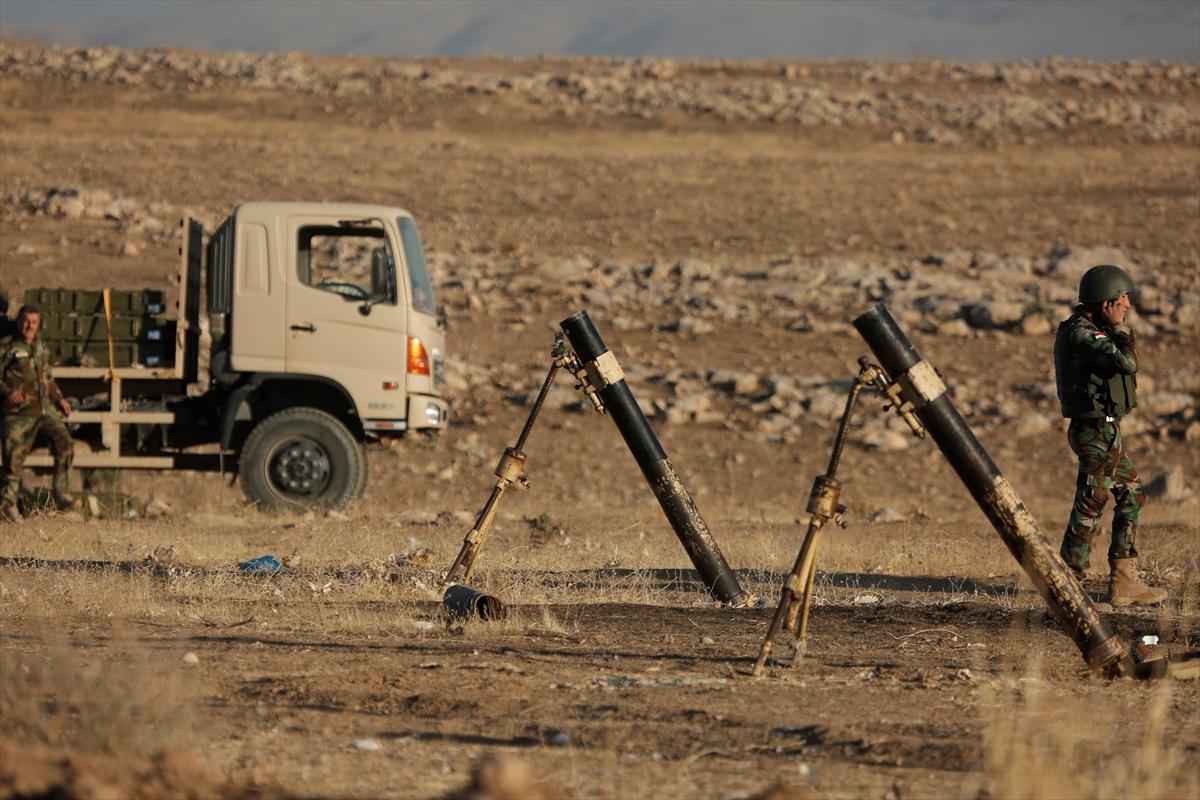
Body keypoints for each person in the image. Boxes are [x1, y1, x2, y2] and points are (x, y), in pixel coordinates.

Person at [1053, 264, 1166, 607]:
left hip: (1105, 428)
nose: (1128, 305)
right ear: (1105, 302)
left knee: (1132, 495)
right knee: (1092, 500)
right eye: (1122, 299)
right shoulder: (1082, 333)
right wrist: (1122, 333)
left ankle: (1124, 580)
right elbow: (1127, 365)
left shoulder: (1093, 328)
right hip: (1092, 431)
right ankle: (1068, 583)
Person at [1, 305, 77, 521]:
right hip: (19, 412)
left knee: (66, 444)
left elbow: (48, 379)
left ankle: (62, 495)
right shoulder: (7, 347)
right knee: (13, 456)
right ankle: (7, 505)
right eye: (26, 321)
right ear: (18, 322)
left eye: (34, 322)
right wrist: (8, 392)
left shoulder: (41, 347)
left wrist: (59, 398)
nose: (29, 326)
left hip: (45, 410)